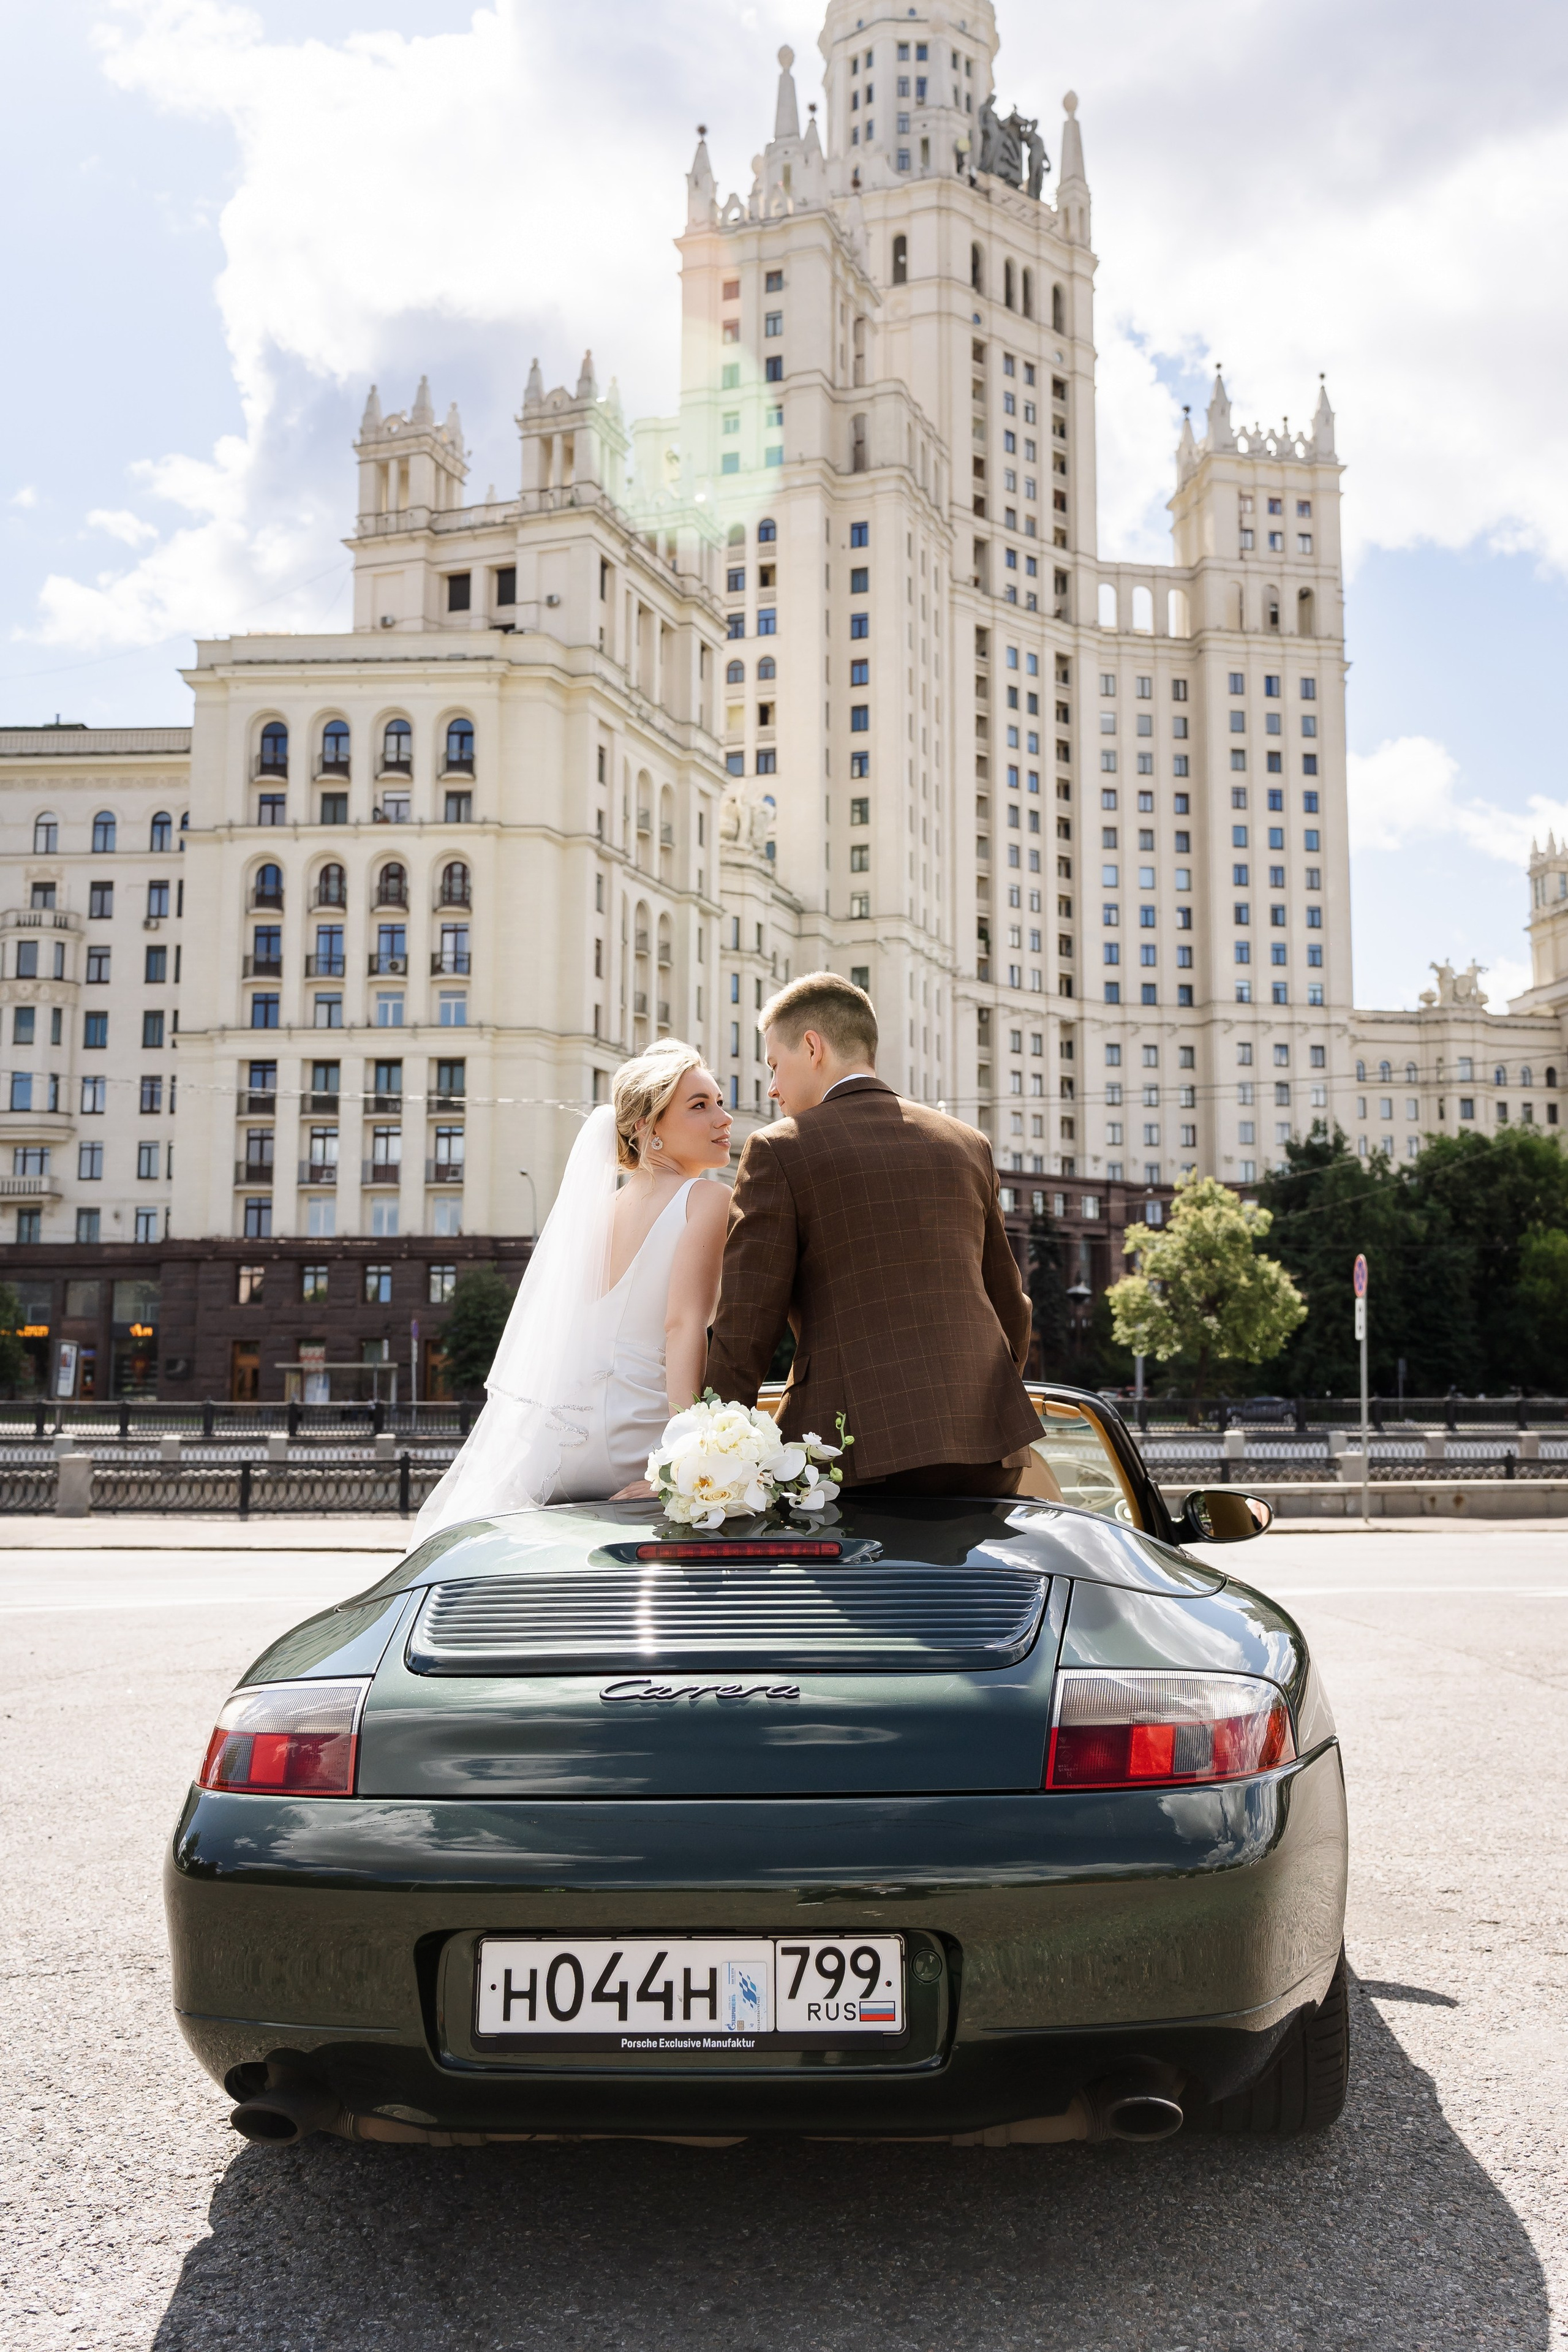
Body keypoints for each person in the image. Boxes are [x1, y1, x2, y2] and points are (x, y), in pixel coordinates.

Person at [704, 972, 1041, 1496]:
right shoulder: (966, 1142)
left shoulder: (781, 1148)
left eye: (775, 1066)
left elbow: (746, 1326)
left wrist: (713, 1453)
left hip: (852, 1453)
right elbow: (1011, 1304)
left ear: (813, 1047)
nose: (773, 1088)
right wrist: (985, 1396)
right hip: (987, 1446)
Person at [412, 1043, 731, 1536]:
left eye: (720, 1101)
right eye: (699, 1105)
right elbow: (682, 1325)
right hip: (634, 1448)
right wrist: (682, 1462)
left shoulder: (592, 1216)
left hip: (551, 1456)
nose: (722, 1119)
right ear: (648, 1128)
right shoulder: (706, 1198)